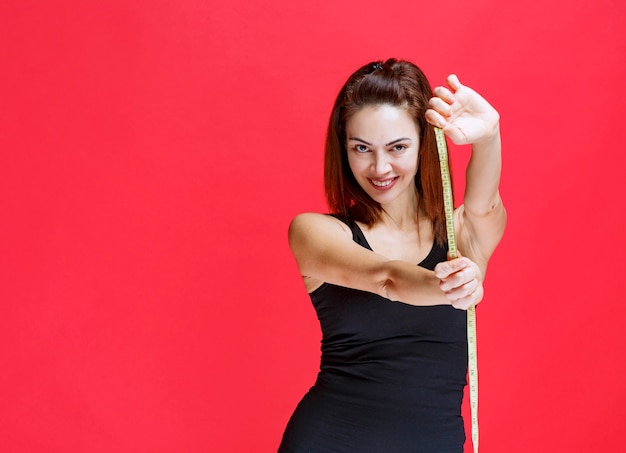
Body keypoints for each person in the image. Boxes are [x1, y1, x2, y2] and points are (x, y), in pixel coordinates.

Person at [278, 58, 506, 453]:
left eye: (397, 147)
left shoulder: (461, 237)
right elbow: (388, 279)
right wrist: (451, 285)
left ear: (424, 142)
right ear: (343, 148)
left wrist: (489, 137)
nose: (379, 167)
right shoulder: (315, 232)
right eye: (361, 148)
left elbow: (484, 208)